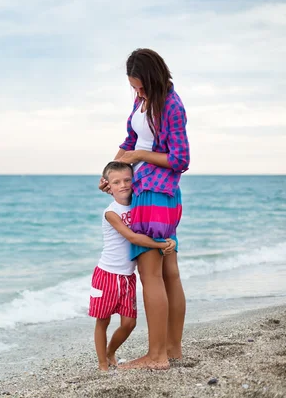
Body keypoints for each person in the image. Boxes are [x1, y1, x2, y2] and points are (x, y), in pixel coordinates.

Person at [99, 48, 190, 370]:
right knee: (167, 272)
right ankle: (172, 351)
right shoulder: (143, 101)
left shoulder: (170, 104)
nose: (137, 92)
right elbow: (131, 139)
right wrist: (110, 170)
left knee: (152, 273)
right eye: (133, 87)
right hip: (147, 188)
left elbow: (181, 159)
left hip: (157, 191)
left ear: (153, 78)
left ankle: (157, 356)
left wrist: (139, 157)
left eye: (140, 86)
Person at [90, 161, 176, 371]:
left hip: (127, 276)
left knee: (129, 323)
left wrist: (169, 238)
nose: (123, 185)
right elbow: (133, 237)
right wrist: (161, 244)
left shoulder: (139, 206)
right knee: (103, 321)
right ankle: (102, 364)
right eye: (117, 182)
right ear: (108, 186)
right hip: (107, 274)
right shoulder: (111, 212)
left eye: (128, 180)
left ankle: (111, 352)